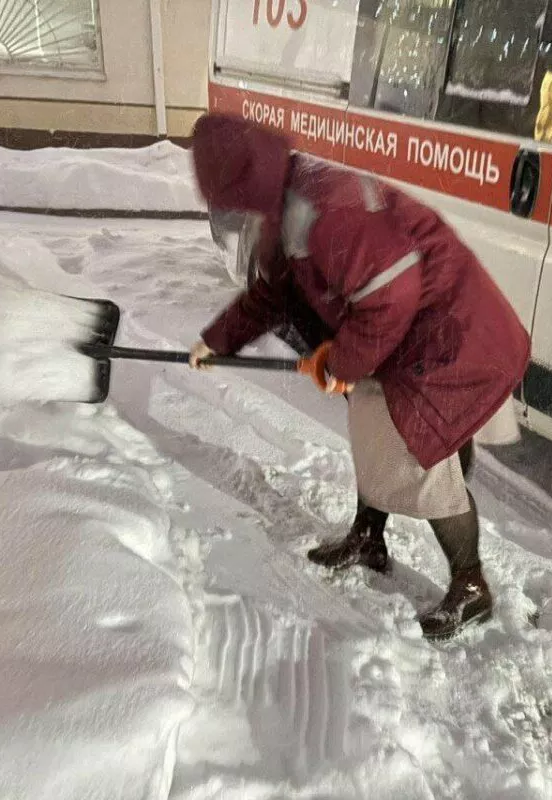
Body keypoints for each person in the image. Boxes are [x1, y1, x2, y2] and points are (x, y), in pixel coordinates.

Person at [187, 113, 530, 641]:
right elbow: (274, 290)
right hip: (408, 339)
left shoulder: (328, 208)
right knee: (373, 435)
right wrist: (218, 339)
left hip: (450, 341)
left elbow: (390, 297)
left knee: (424, 464)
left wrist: (341, 364)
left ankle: (471, 586)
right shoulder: (288, 198)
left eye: (230, 199)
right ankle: (369, 538)